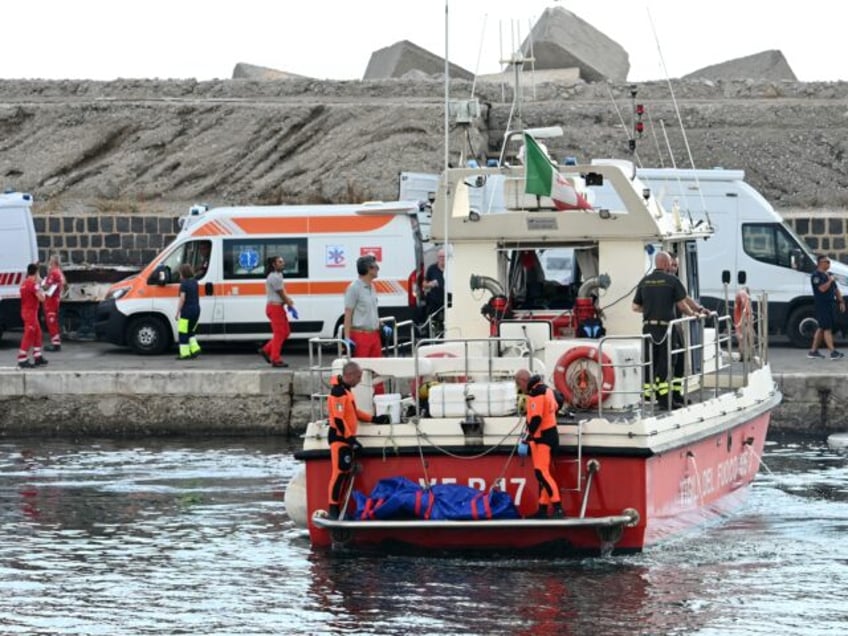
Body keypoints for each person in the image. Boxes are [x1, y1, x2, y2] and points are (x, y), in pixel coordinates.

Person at [632, 251, 705, 409]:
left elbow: (635, 307)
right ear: (666, 264)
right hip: (667, 328)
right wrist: (694, 314)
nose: (674, 267)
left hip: (648, 328)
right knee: (667, 363)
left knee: (650, 361)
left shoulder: (644, 281)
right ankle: (665, 401)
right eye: (673, 264)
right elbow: (682, 303)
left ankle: (648, 397)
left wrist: (651, 309)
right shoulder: (672, 280)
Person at [326, 361, 391, 519]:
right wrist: (351, 441)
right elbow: (339, 420)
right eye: (359, 376)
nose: (360, 380)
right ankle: (333, 509)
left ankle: (339, 506)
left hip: (345, 439)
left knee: (345, 473)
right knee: (339, 473)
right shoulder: (338, 393)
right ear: (349, 375)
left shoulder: (347, 391)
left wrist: (375, 419)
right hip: (340, 439)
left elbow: (354, 413)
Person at [515, 369, 564, 519]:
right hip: (550, 435)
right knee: (544, 474)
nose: (520, 389)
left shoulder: (536, 393)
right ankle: (543, 508)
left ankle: (557, 507)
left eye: (519, 385)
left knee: (541, 473)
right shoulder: (547, 389)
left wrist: (528, 436)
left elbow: (536, 418)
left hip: (542, 438)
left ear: (523, 381)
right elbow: (556, 406)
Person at [260, 255, 295, 368]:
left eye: (282, 261)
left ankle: (266, 350)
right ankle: (275, 358)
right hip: (275, 308)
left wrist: (287, 301)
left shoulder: (278, 275)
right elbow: (280, 293)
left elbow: (282, 292)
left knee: (285, 332)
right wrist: (288, 302)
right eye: (280, 262)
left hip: (278, 307)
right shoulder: (274, 277)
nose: (283, 263)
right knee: (279, 333)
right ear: (274, 265)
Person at [808, 254, 845, 360]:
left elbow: (836, 289)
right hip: (822, 305)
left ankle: (813, 351)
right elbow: (822, 289)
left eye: (829, 262)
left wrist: (841, 301)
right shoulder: (816, 276)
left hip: (830, 304)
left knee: (821, 327)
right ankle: (833, 352)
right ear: (820, 263)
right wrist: (830, 280)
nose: (829, 264)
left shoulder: (829, 274)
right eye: (826, 262)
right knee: (827, 328)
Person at [16, 263, 48, 369]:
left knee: (37, 333)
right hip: (31, 313)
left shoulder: (24, 283)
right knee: (29, 334)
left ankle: (37, 356)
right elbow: (42, 298)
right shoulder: (33, 284)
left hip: (26, 311)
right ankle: (22, 358)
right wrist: (41, 286)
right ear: (36, 273)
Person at [175, 263, 201, 360]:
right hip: (196, 310)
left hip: (187, 311)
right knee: (191, 331)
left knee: (183, 332)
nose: (179, 275)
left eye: (180, 273)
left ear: (183, 273)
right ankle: (195, 349)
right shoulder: (195, 282)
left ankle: (184, 353)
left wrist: (177, 312)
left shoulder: (184, 284)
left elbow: (182, 299)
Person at [41, 254, 66, 352]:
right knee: (53, 321)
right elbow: (63, 283)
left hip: (51, 300)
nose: (49, 262)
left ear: (53, 261)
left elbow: (47, 286)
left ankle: (55, 344)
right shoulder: (59, 272)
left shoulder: (53, 272)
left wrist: (41, 286)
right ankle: (55, 342)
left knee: (51, 322)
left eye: (50, 260)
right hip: (55, 299)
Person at [422, 248, 446, 329]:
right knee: (432, 320)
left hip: (447, 301)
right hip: (434, 300)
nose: (442, 258)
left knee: (446, 321)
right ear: (437, 257)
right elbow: (424, 284)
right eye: (440, 256)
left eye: (444, 256)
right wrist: (430, 284)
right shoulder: (432, 269)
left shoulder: (450, 268)